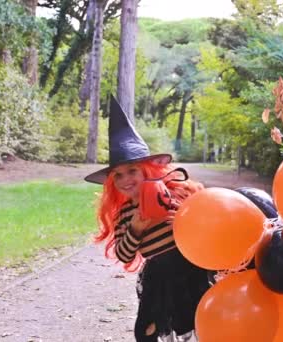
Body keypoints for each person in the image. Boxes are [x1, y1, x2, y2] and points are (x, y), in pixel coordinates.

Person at [84, 96, 211, 342]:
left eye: (132, 171)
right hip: (157, 276)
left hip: (189, 269)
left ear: (149, 170)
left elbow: (206, 229)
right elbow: (124, 254)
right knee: (149, 330)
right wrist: (134, 229)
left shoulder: (176, 194)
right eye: (118, 176)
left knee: (194, 321)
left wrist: (183, 223)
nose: (125, 180)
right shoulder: (124, 214)